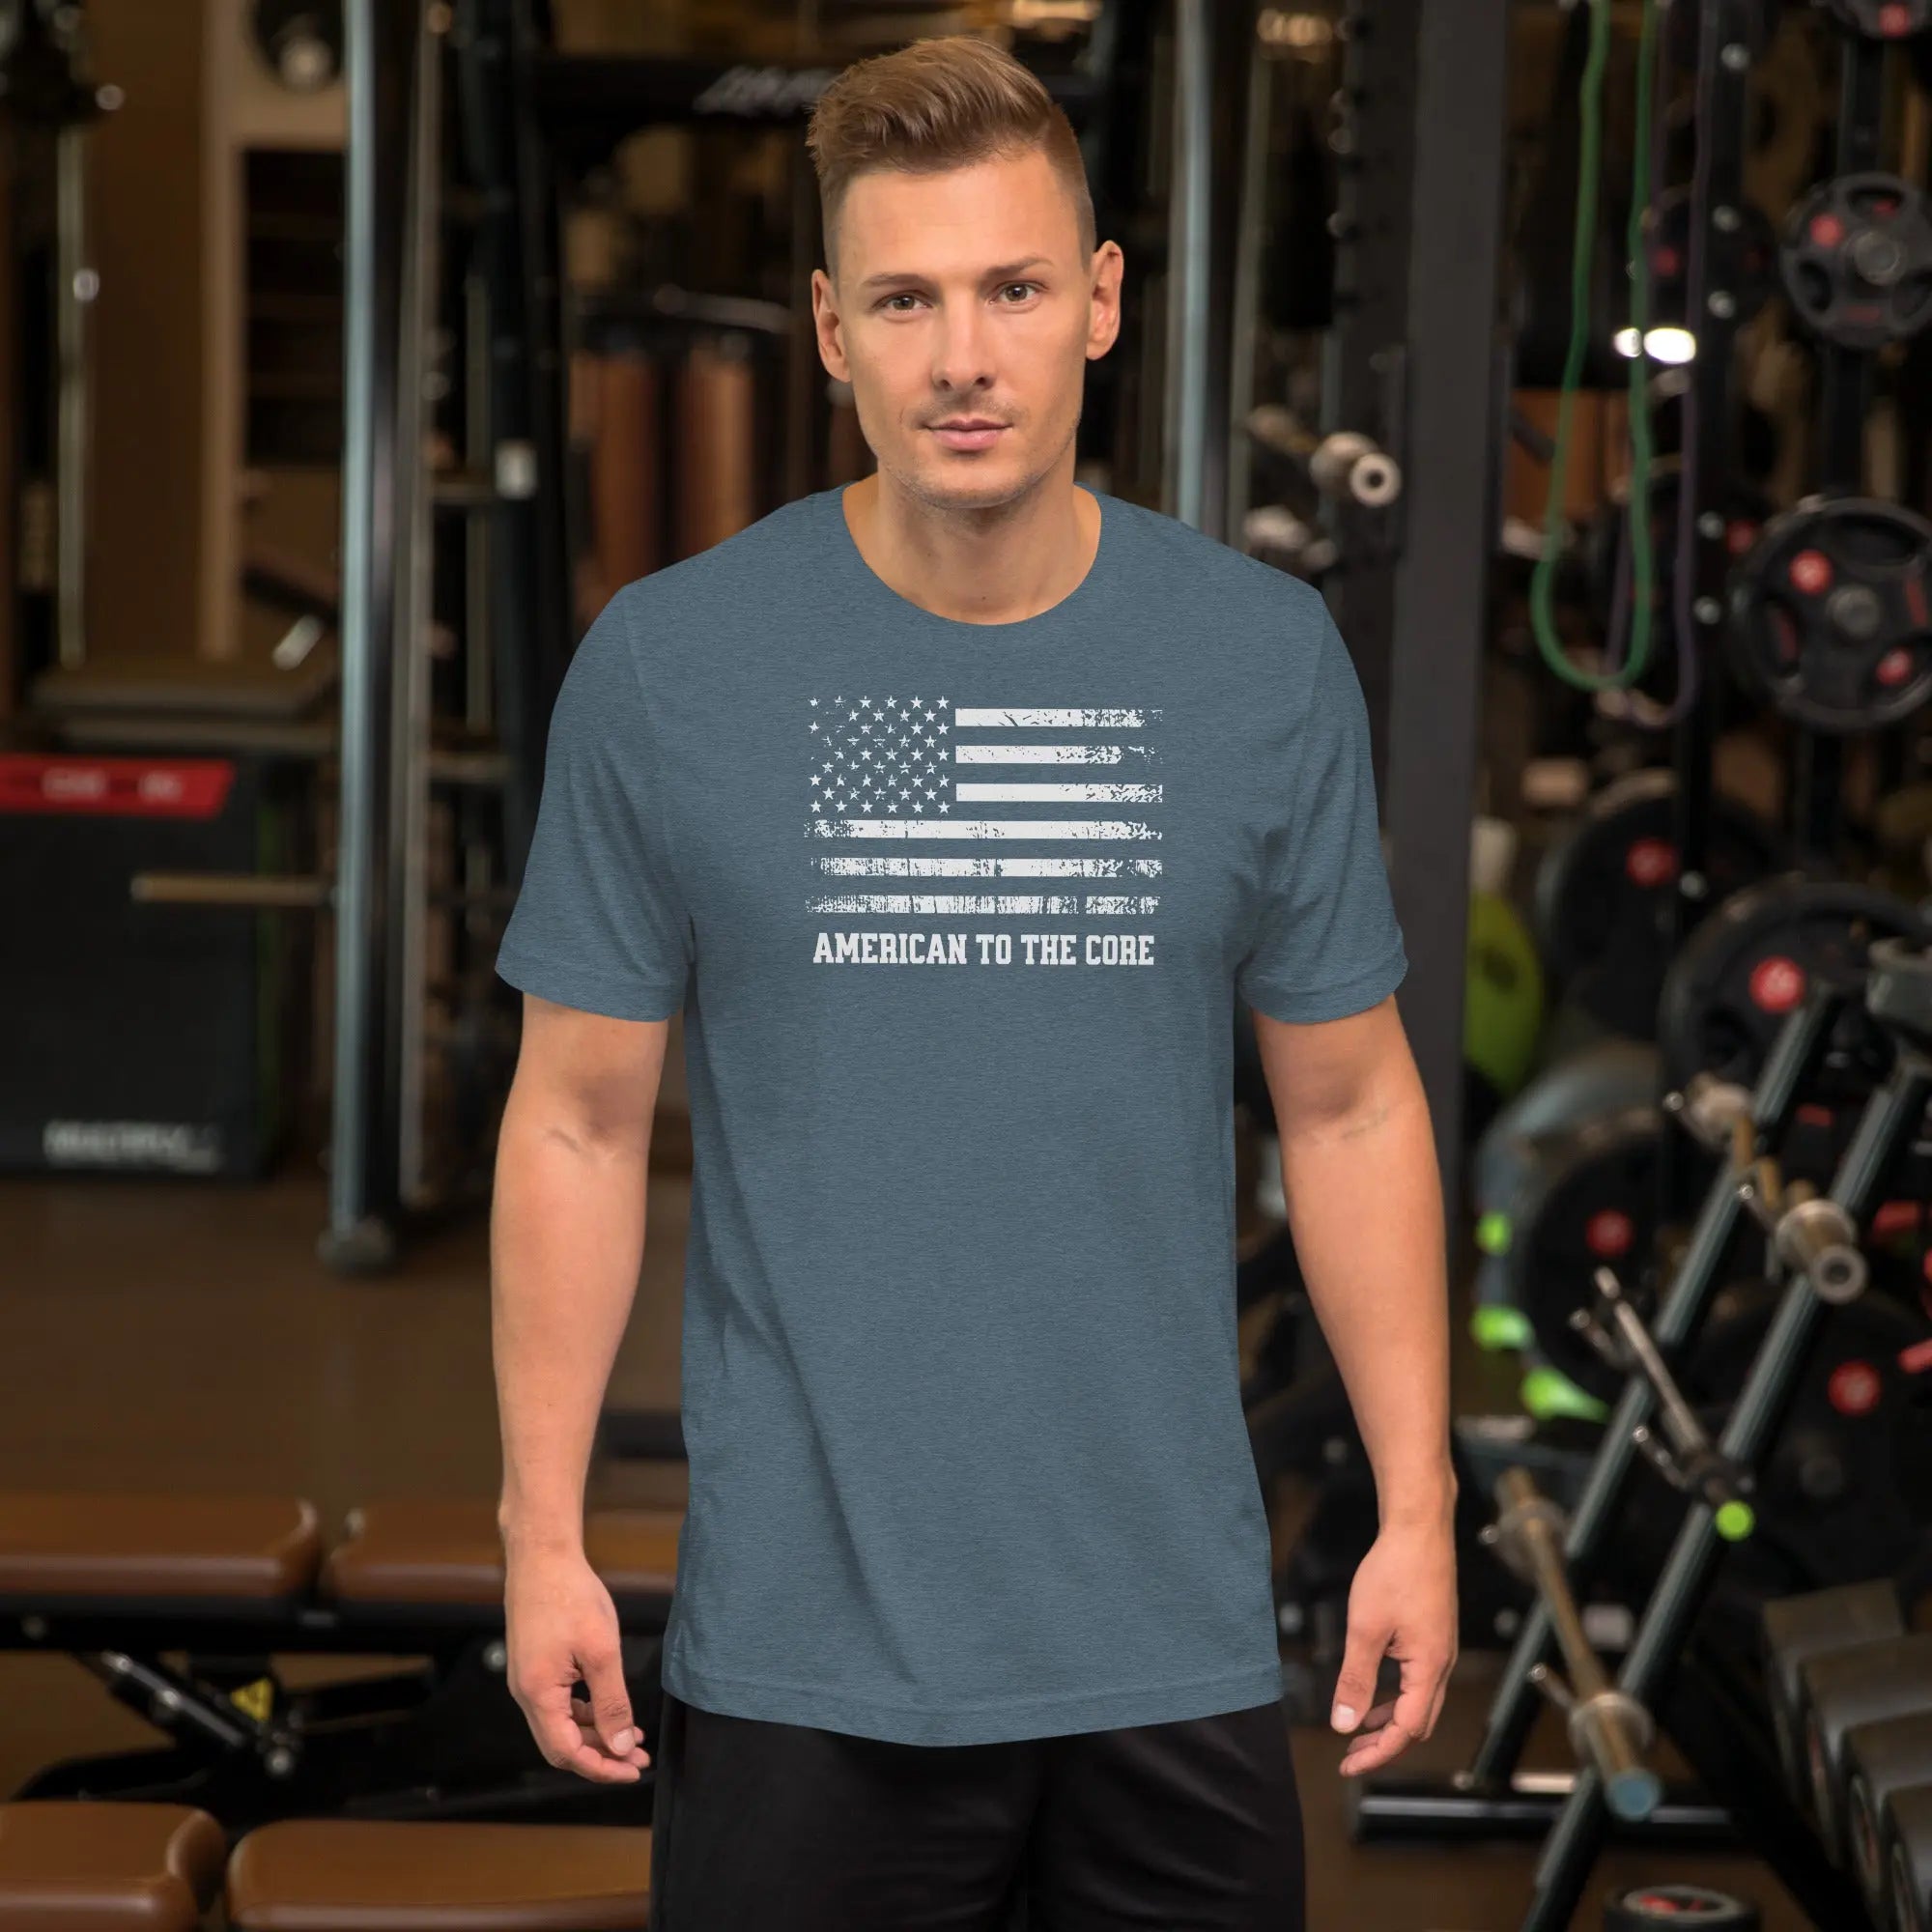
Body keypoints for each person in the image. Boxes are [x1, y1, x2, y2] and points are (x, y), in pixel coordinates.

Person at [490, 31, 1455, 1931]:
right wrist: (541, 1533)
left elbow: (1349, 1100)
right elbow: (578, 1120)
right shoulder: (673, 668)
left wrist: (1413, 1511)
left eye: (1013, 288)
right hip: (804, 1655)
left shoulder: (1257, 664)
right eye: (908, 299)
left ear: (1098, 304)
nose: (962, 357)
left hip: (1164, 1643)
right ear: (831, 328)